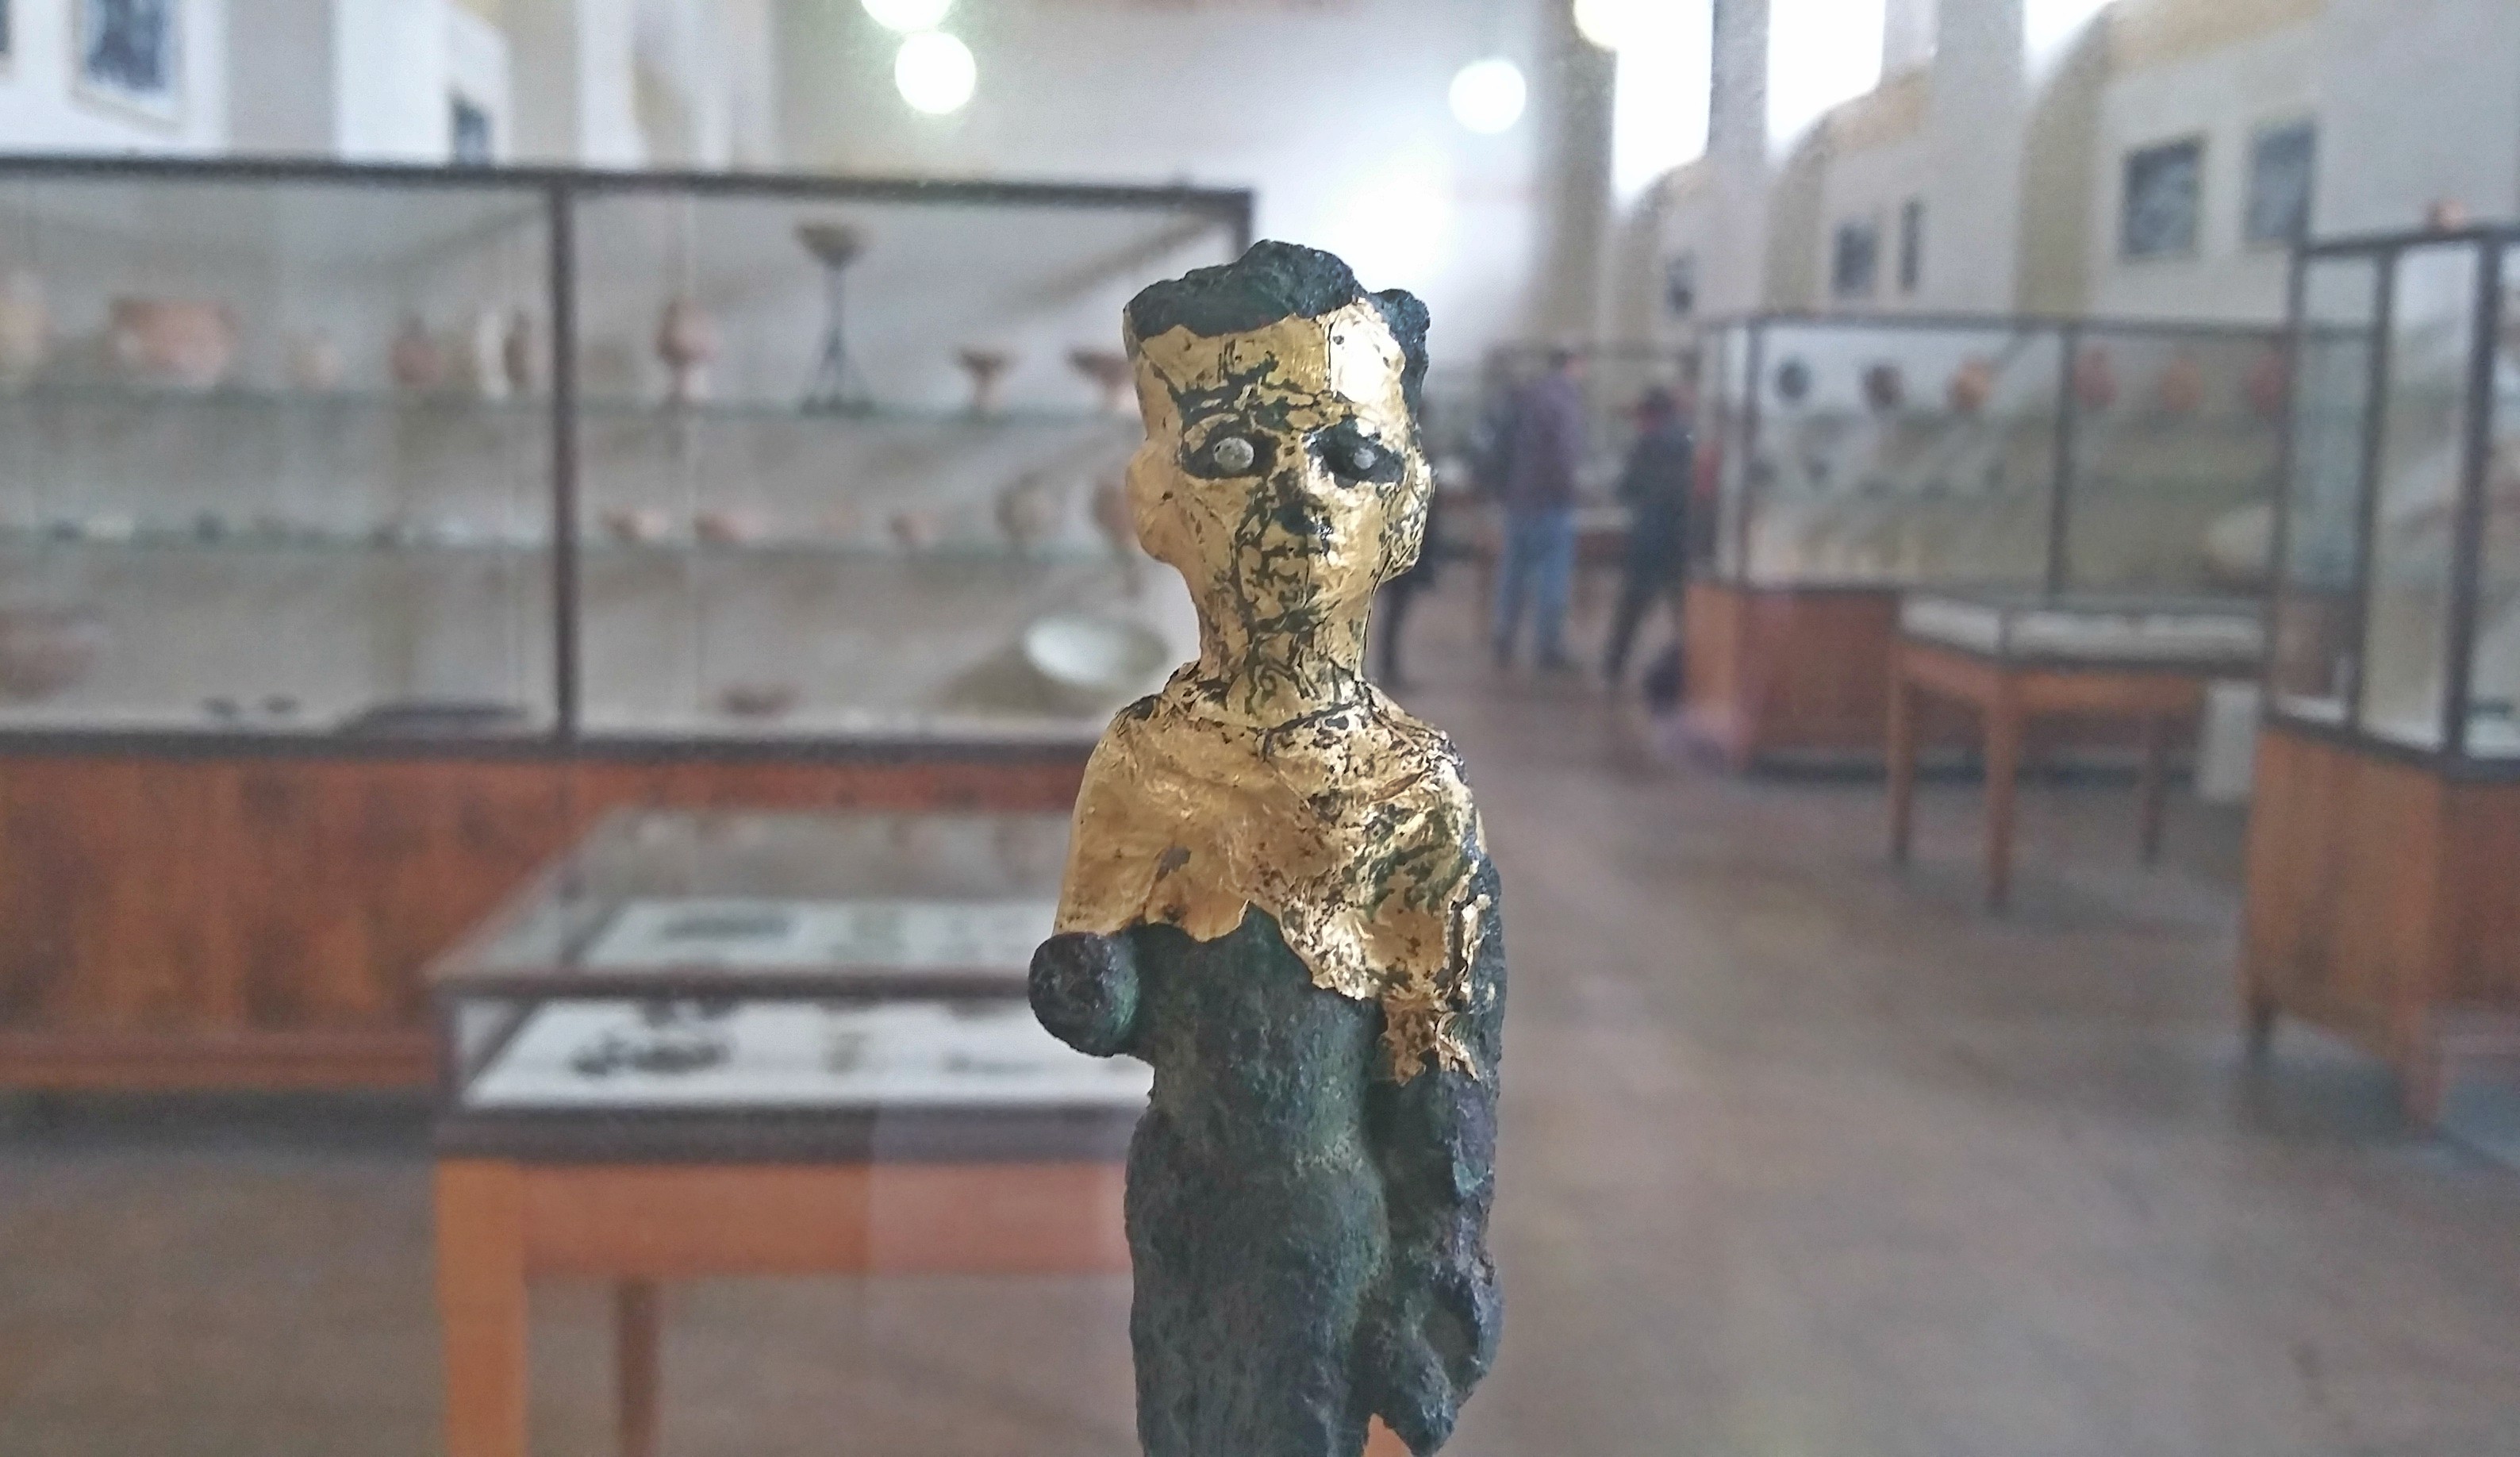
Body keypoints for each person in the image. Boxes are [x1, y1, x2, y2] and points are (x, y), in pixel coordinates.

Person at [1489, 348, 1587, 670]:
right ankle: (1548, 648)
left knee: (1513, 575)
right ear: (1574, 364)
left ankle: (1504, 638)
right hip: (1551, 502)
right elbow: (1565, 454)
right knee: (1552, 579)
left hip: (1518, 499)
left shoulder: (1527, 397)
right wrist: (1570, 489)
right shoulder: (1564, 401)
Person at [1602, 386, 1695, 686]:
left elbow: (1625, 488)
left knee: (1631, 608)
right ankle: (1697, 671)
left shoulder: (1646, 444)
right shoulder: (1688, 442)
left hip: (1648, 540)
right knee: (1684, 613)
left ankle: (1613, 668)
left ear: (1652, 415)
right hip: (1680, 540)